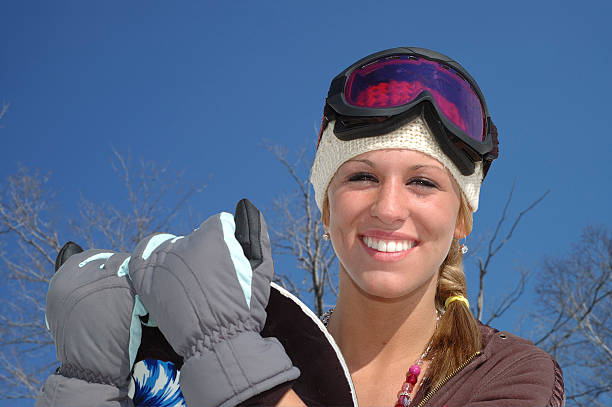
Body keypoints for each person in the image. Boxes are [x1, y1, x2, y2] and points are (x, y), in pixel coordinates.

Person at [37, 47, 564, 407]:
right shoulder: (255, 344)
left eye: (423, 183)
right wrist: (95, 383)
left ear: (462, 218)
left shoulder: (508, 373)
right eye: (361, 176)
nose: (388, 207)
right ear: (326, 206)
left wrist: (234, 364)